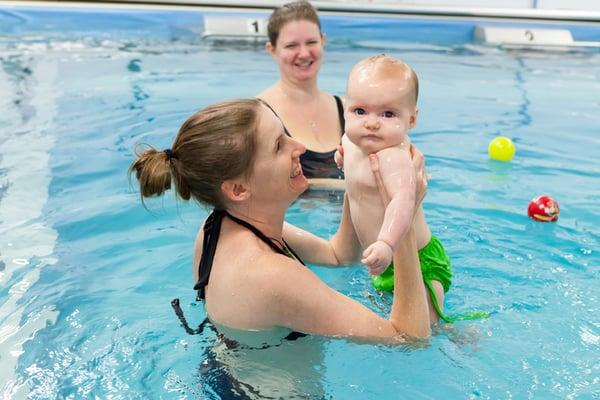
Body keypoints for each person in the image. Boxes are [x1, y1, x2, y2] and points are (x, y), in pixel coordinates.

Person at [129, 98, 432, 344]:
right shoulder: (272, 276)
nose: (298, 146)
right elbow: (408, 339)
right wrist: (405, 214)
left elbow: (340, 254)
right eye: (278, 145)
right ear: (238, 189)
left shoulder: (218, 225)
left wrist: (356, 177)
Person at [341, 55, 453, 324]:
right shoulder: (351, 141)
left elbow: (403, 201)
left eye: (388, 114)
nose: (371, 122)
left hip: (419, 262)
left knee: (426, 327)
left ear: (411, 120)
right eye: (360, 111)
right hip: (383, 260)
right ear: (346, 108)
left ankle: (458, 336)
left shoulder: (394, 157)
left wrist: (386, 243)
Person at [258, 0, 345, 190]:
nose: (304, 53)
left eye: (312, 42)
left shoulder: (348, 109)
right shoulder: (259, 116)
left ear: (323, 41)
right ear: (272, 50)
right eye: (291, 46)